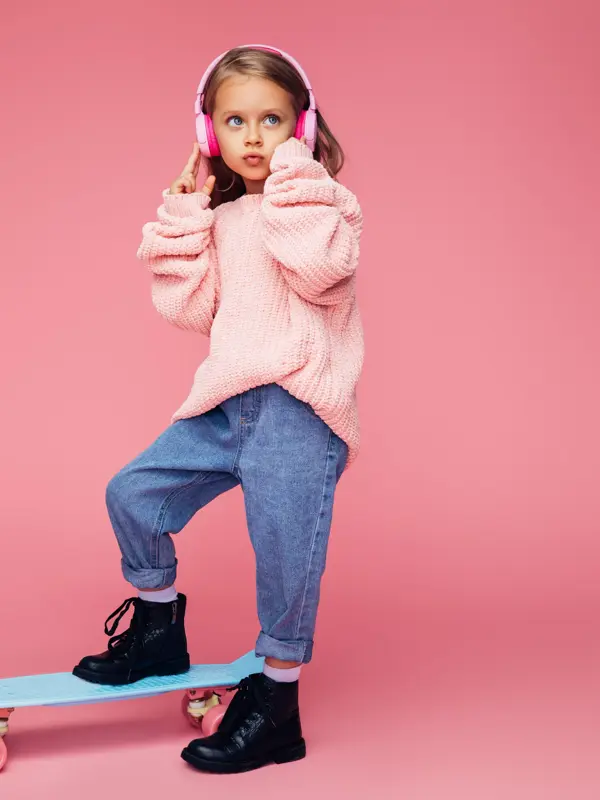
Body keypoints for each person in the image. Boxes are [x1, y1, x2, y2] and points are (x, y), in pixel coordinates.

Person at [72, 44, 364, 773]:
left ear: (302, 126)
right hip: (226, 404)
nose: (256, 136)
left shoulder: (325, 209)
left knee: (284, 558)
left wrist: (299, 178)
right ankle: (159, 629)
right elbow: (189, 307)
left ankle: (276, 708)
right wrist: (184, 213)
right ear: (209, 133)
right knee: (134, 494)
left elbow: (321, 272)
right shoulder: (225, 216)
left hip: (298, 410)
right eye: (236, 120)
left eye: (273, 119)